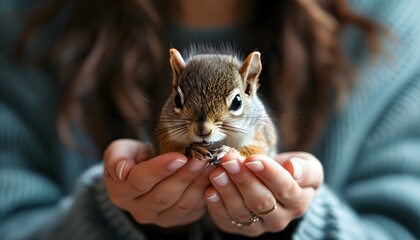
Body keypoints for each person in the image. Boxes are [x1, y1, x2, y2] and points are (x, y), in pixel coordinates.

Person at [1, 0, 419, 239]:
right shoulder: (21, 21)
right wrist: (110, 214)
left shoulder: (395, 19)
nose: (204, 127)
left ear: (250, 83)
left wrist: (301, 221)